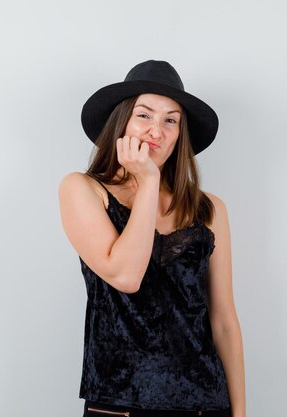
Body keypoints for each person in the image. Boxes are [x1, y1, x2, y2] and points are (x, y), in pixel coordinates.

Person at [58, 60, 246, 417]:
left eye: (170, 120)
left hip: (206, 404)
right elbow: (127, 276)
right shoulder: (82, 189)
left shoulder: (210, 209)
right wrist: (147, 182)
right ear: (122, 121)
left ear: (180, 134)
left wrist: (240, 413)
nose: (155, 131)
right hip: (118, 405)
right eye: (144, 116)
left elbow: (223, 320)